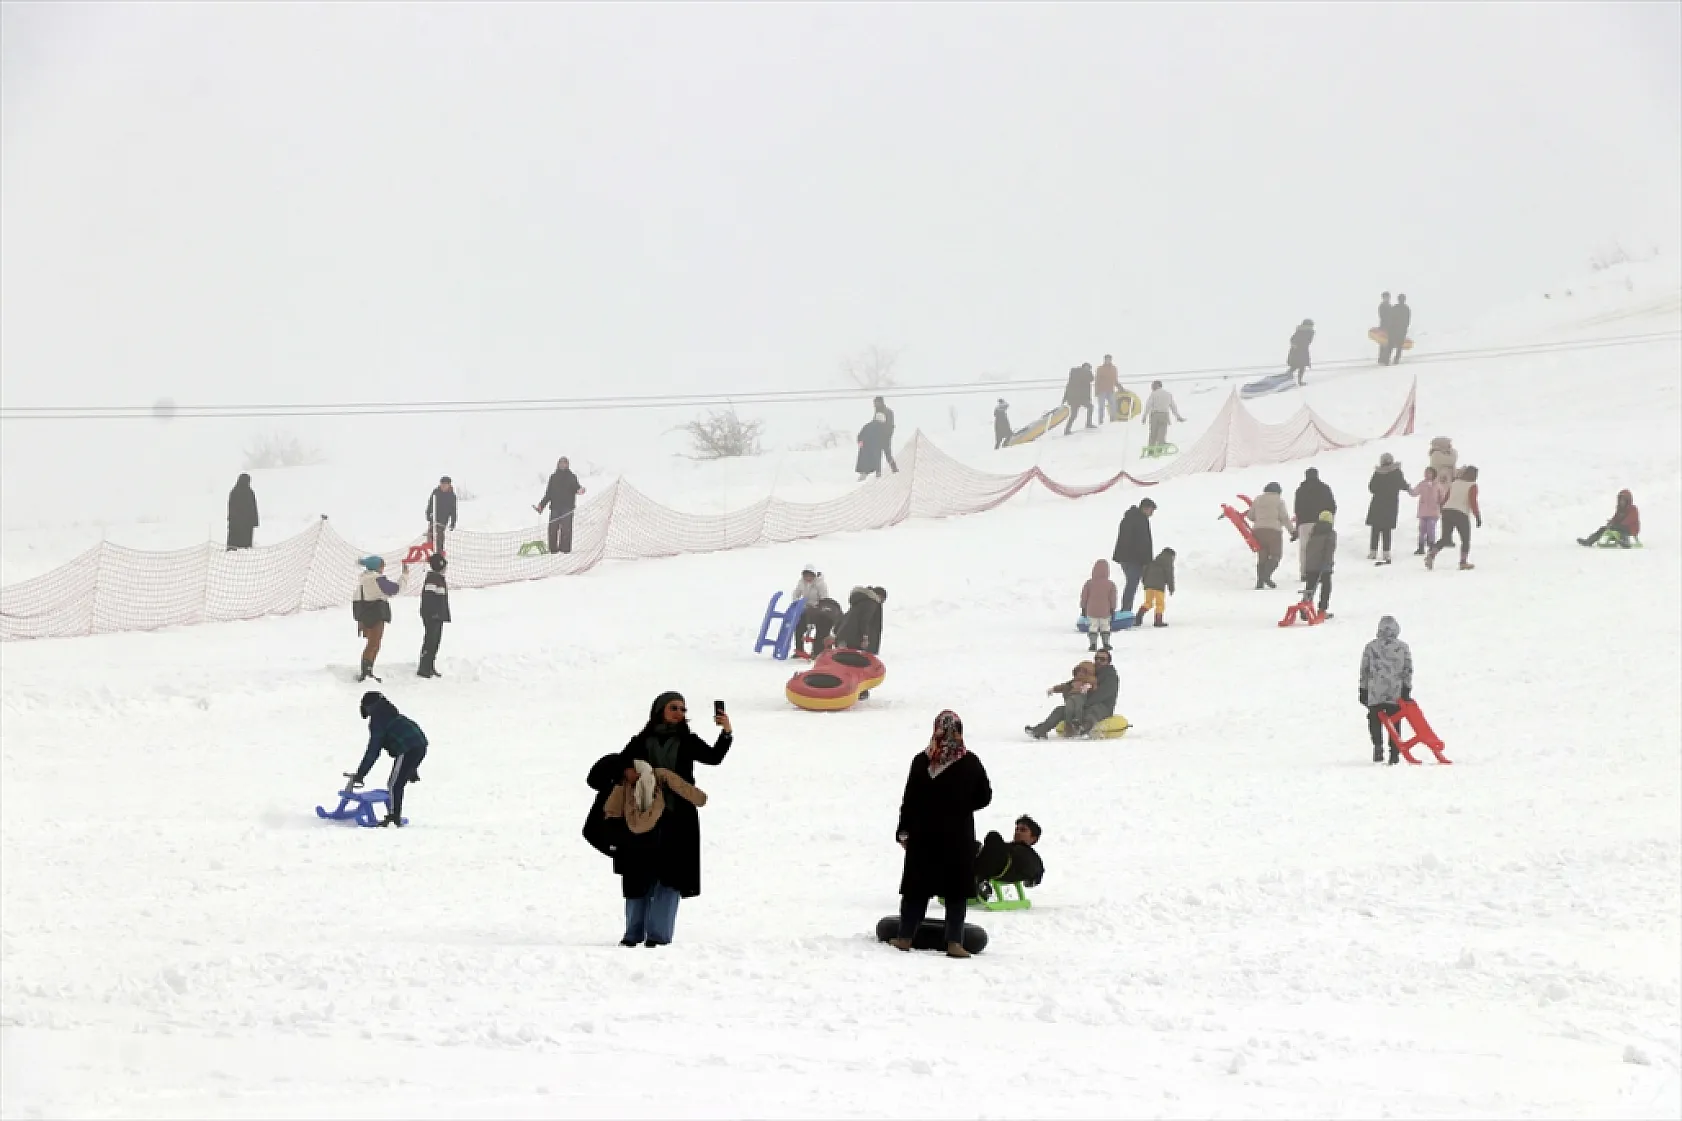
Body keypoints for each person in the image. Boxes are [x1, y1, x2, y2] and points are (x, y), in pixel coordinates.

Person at [614, 692, 733, 947]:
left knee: (671, 875)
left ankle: (658, 936)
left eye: (682, 708)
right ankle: (633, 934)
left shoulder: (687, 740)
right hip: (644, 816)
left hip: (678, 816)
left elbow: (714, 757)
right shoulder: (642, 740)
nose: (680, 712)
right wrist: (629, 772)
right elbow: (619, 763)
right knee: (639, 874)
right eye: (674, 707)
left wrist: (726, 733)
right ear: (660, 710)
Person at [891, 710, 992, 959]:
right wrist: (960, 805)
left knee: (917, 888)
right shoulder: (970, 762)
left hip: (923, 836)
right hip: (957, 836)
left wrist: (904, 832)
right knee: (955, 891)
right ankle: (954, 943)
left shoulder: (922, 761)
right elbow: (984, 797)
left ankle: (905, 937)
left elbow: (910, 800)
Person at [343, 691, 428, 826]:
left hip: (409, 749)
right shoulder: (390, 714)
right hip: (420, 745)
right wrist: (411, 768)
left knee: (394, 784)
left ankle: (394, 817)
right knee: (397, 780)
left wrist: (360, 774)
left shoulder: (378, 722)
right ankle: (395, 814)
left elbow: (373, 750)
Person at [1359, 615, 1413, 765]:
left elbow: (1365, 670)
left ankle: (1377, 745)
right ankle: (1394, 753)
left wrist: (1363, 689)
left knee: (1374, 718)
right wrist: (1406, 688)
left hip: (1375, 691)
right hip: (1395, 692)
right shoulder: (1402, 647)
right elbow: (1407, 670)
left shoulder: (1371, 647)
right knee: (1395, 722)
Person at [353, 556, 400, 682]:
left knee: (372, 644)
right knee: (374, 644)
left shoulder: (363, 580)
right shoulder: (377, 579)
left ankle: (367, 671)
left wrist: (359, 619)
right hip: (376, 615)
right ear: (377, 567)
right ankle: (366, 672)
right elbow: (395, 589)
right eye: (382, 566)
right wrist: (404, 576)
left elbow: (356, 599)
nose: (383, 568)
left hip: (366, 615)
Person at [1024, 661, 1098, 739]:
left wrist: (1088, 686)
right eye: (1078, 671)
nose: (1080, 673)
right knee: (1061, 710)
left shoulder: (1091, 680)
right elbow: (1063, 686)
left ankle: (1078, 724)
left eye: (1084, 671)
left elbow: (1093, 685)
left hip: (1086, 707)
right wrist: (1054, 689)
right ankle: (1041, 730)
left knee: (1076, 705)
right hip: (1071, 702)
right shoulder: (1072, 682)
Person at [973, 815, 1045, 893]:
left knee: (993, 836)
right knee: (974, 845)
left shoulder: (1030, 855)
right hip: (989, 864)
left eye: (1023, 830)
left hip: (1005, 867)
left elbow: (1037, 869)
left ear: (1033, 838)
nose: (1018, 832)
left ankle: (981, 882)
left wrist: (1033, 879)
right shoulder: (1008, 846)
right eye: (1017, 829)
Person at [1427, 466, 1480, 571]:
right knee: (1465, 539)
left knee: (1445, 538)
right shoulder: (1472, 485)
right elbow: (1473, 502)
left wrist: (1442, 508)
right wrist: (1477, 516)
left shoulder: (1455, 483)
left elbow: (1446, 497)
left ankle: (1431, 554)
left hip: (1447, 511)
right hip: (1461, 513)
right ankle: (1463, 562)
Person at [1111, 498, 1156, 613]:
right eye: (1151, 510)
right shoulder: (1140, 520)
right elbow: (1143, 542)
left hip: (1125, 558)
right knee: (1132, 583)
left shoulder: (1130, 518)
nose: (1152, 513)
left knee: (1131, 583)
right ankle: (1126, 610)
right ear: (1145, 508)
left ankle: (1126, 609)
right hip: (1133, 559)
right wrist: (1146, 561)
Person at [1365, 452, 1411, 564]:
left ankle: (1373, 552)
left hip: (1377, 503)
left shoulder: (1378, 473)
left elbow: (1371, 488)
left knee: (1375, 528)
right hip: (1391, 504)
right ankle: (1386, 552)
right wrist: (1409, 488)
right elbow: (1402, 484)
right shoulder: (1396, 473)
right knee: (1387, 529)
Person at [1246, 481, 1292, 589]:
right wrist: (1292, 531)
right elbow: (1284, 517)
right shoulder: (1279, 501)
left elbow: (1251, 516)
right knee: (1276, 555)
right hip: (1274, 531)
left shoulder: (1258, 499)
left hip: (1258, 531)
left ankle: (1260, 582)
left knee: (1262, 557)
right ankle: (1266, 576)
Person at [535, 457, 586, 554]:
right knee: (552, 528)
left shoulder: (572, 477)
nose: (563, 465)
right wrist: (541, 505)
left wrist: (580, 490)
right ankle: (553, 550)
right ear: (558, 464)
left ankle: (565, 550)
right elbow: (548, 494)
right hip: (555, 507)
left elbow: (577, 488)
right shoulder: (553, 477)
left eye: (565, 463)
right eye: (561, 463)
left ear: (568, 465)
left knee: (566, 529)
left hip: (567, 508)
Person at [1293, 468, 1336, 576]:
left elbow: (1297, 509)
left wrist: (1298, 524)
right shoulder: (1325, 489)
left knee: (1305, 548)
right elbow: (1332, 506)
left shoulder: (1300, 490)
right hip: (1322, 522)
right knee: (1321, 548)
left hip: (1305, 523)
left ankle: (1304, 573)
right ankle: (1321, 572)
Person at [416, 552, 450, 678]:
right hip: (432, 616)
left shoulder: (439, 579)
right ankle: (424, 668)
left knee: (435, 641)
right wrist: (433, 613)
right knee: (430, 641)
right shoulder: (433, 579)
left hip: (438, 615)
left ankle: (430, 666)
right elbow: (428, 599)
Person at [1300, 511, 1337, 617]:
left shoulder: (1313, 532)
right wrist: (1328, 563)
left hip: (1311, 565)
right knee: (1326, 587)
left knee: (1310, 587)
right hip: (1323, 565)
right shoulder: (1330, 533)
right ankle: (1322, 609)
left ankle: (1304, 609)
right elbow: (1329, 549)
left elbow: (1308, 549)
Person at [789, 564, 830, 658]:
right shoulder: (801, 583)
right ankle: (799, 650)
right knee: (799, 627)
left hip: (818, 609)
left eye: (810, 575)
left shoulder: (820, 584)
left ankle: (817, 651)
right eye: (806, 575)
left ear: (814, 575)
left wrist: (817, 607)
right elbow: (796, 594)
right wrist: (797, 604)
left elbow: (825, 599)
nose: (808, 578)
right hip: (805, 608)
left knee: (821, 629)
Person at [1080, 559, 1118, 652]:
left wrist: (1083, 607)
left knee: (1093, 626)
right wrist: (1113, 608)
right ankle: (1106, 643)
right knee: (1105, 626)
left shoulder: (1089, 583)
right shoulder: (1110, 584)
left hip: (1091, 610)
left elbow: (1084, 596)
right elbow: (1113, 598)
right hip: (1105, 610)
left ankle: (1093, 644)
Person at [835, 585, 885, 655]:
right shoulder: (871, 603)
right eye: (883, 599)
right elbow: (865, 621)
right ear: (879, 596)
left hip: (844, 636)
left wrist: (837, 633)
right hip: (854, 639)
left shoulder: (859, 603)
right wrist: (865, 637)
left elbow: (844, 618)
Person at [1410, 467, 1447, 555]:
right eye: (1425, 473)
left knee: (1431, 528)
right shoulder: (1422, 484)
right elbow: (1414, 492)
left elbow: (1443, 496)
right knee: (1422, 529)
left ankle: (1431, 545)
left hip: (1433, 512)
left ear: (1433, 474)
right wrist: (1408, 488)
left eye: (1429, 473)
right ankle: (1421, 547)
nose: (1426, 475)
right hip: (1423, 511)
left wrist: (1440, 503)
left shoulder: (1437, 485)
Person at [1138, 547, 1176, 628]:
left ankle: (1138, 616)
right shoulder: (1168, 563)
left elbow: (1145, 570)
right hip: (1159, 587)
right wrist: (1171, 588)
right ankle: (1158, 621)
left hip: (1148, 585)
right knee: (1160, 604)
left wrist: (1144, 581)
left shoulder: (1154, 560)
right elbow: (1170, 576)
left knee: (1148, 602)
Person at [1141, 380, 1185, 449]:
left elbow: (1148, 406)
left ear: (1157, 385)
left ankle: (1151, 450)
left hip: (1155, 415)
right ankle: (1160, 449)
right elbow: (1173, 406)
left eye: (1153, 385)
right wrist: (1178, 417)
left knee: (1153, 433)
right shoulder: (1168, 394)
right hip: (1164, 415)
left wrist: (1144, 416)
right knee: (1162, 433)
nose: (1151, 387)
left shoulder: (1153, 394)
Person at [226, 473, 259, 550]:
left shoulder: (234, 492)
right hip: (245, 523)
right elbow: (253, 508)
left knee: (235, 543)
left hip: (236, 523)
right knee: (244, 544)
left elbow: (231, 508)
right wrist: (254, 521)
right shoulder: (249, 493)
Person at [425, 477, 457, 555]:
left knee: (439, 535)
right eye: (442, 484)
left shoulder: (451, 495)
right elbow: (430, 503)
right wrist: (428, 513)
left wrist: (453, 522)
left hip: (443, 518)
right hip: (434, 516)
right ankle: (430, 550)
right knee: (431, 533)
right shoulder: (436, 492)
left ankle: (439, 551)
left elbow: (453, 510)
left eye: (445, 485)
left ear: (449, 485)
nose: (443, 486)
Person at [1062, 364, 1095, 434]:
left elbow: (1068, 387)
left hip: (1074, 399)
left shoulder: (1074, 376)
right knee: (1089, 408)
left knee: (1074, 415)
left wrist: (1065, 398)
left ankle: (1067, 430)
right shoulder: (1085, 376)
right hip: (1080, 398)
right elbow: (1091, 380)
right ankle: (1088, 423)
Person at [872, 397, 900, 474]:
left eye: (876, 403)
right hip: (877, 438)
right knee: (877, 456)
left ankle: (894, 469)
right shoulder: (877, 412)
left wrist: (887, 435)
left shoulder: (888, 412)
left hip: (885, 437)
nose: (874, 405)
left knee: (888, 455)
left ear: (880, 402)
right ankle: (878, 472)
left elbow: (889, 426)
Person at [856, 411, 887, 481]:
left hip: (865, 447)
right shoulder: (881, 427)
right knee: (876, 461)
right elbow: (883, 438)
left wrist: (860, 441)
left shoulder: (868, 425)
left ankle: (863, 475)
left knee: (865, 461)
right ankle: (878, 475)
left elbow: (860, 435)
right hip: (876, 447)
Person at [1287, 319, 1315, 385]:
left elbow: (1307, 342)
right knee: (1296, 366)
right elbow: (1293, 340)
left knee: (1300, 367)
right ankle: (1288, 380)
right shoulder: (1301, 332)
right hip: (1298, 351)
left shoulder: (1307, 332)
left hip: (1302, 351)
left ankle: (1297, 381)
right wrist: (1294, 345)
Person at [1095, 355, 1120, 423]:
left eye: (1109, 359)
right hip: (1101, 390)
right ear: (1104, 360)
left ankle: (1113, 419)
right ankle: (1101, 420)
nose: (1108, 360)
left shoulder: (1114, 368)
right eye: (1107, 359)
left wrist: (1119, 386)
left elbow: (1115, 379)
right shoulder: (1100, 368)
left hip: (1110, 390)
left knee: (1113, 405)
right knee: (1101, 406)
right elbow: (1097, 380)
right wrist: (1096, 391)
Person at [1387, 295, 1412, 365]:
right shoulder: (1406, 308)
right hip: (1399, 330)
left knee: (1392, 346)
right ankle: (1395, 359)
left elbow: (1390, 318)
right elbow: (1408, 320)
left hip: (1395, 330)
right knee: (1398, 346)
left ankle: (1389, 359)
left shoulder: (1395, 308)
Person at [1376, 292, 1394, 364]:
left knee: (1388, 343)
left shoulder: (1390, 306)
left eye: (1388, 297)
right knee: (1383, 343)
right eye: (1385, 297)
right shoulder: (1382, 306)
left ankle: (1385, 358)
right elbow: (1382, 316)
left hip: (1390, 327)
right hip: (1384, 326)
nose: (1387, 299)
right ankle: (1382, 359)